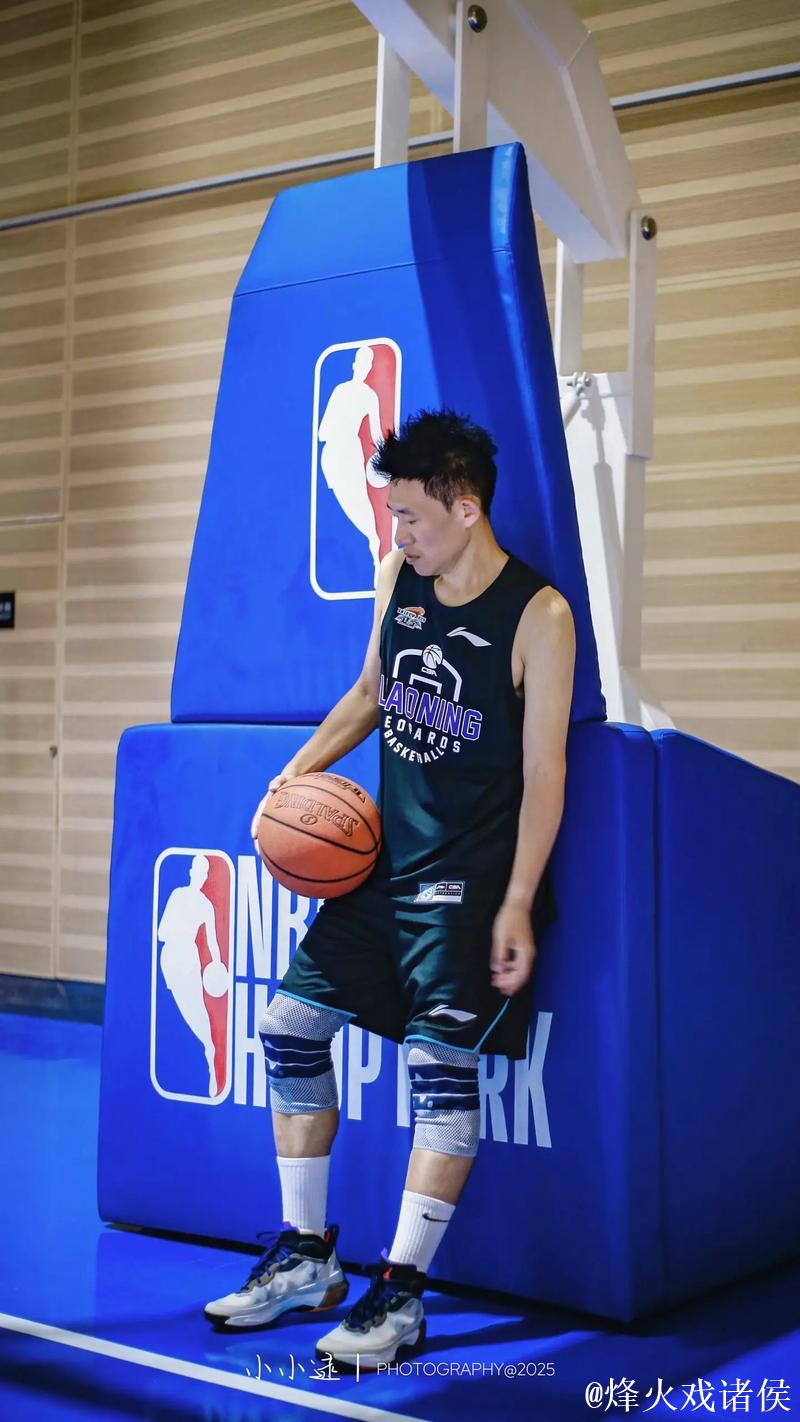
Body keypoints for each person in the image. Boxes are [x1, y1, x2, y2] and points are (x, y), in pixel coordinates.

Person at [204, 408, 576, 1369]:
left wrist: (517, 900)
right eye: (392, 513)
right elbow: (372, 692)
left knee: (439, 1073)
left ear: (467, 506)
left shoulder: (538, 616)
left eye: (410, 514)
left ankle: (402, 1295)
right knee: (289, 1026)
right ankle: (306, 1259)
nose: (396, 531)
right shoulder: (398, 578)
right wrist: (296, 772)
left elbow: (546, 774)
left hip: (471, 884)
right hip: (385, 871)